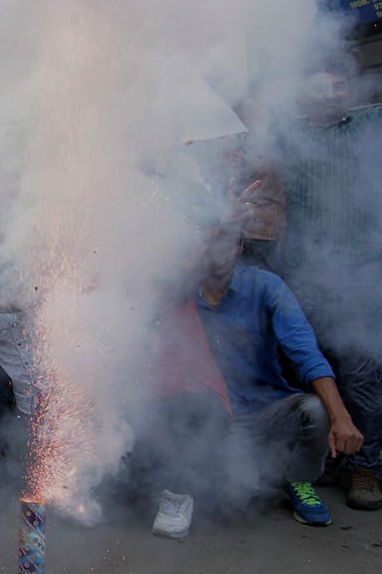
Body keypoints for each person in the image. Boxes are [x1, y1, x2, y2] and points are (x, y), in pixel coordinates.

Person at [144, 223, 363, 538]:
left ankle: (299, 479)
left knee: (316, 409)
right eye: (210, 243)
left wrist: (341, 418)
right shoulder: (180, 293)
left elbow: (306, 352)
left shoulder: (267, 286)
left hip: (263, 409)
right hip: (205, 418)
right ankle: (178, 497)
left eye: (227, 243)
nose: (218, 253)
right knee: (227, 492)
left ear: (240, 248)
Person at [270, 60, 382, 511]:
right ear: (304, 94)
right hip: (304, 278)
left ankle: (367, 468)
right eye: (321, 87)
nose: (331, 93)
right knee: (313, 371)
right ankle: (325, 461)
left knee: (361, 375)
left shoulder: (369, 126)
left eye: (339, 86)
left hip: (362, 275)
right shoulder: (289, 139)